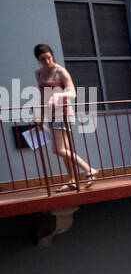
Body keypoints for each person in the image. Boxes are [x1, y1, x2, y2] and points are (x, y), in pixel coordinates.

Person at [33, 43, 97, 191]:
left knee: (57, 149)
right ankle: (72, 181)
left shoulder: (60, 71)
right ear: (38, 59)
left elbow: (72, 92)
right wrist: (40, 116)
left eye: (49, 57)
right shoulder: (38, 73)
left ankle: (89, 170)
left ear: (52, 55)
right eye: (43, 59)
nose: (47, 61)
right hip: (50, 114)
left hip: (63, 113)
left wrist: (59, 94)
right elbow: (43, 96)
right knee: (65, 150)